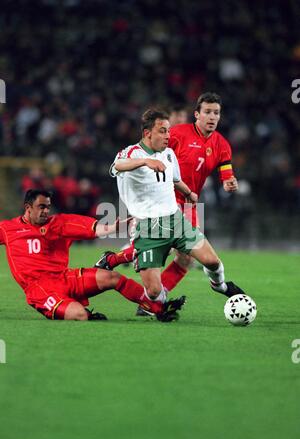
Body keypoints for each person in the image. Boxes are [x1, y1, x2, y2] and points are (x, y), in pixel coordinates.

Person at [96, 94, 241, 304]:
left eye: (216, 113)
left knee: (192, 258)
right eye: (207, 112)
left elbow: (218, 173)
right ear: (197, 114)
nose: (212, 117)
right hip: (154, 213)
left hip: (182, 208)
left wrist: (223, 183)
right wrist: (145, 162)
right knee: (161, 272)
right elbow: (122, 163)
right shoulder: (165, 139)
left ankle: (212, 287)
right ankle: (136, 277)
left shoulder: (217, 145)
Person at [0, 190, 185, 322]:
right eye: (41, 207)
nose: (46, 211)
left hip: (65, 278)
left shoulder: (57, 223)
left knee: (112, 277)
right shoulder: (7, 229)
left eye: (48, 207)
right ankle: (81, 311)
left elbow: (93, 228)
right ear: (27, 207)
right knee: (79, 315)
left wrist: (113, 228)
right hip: (40, 289)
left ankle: (156, 308)